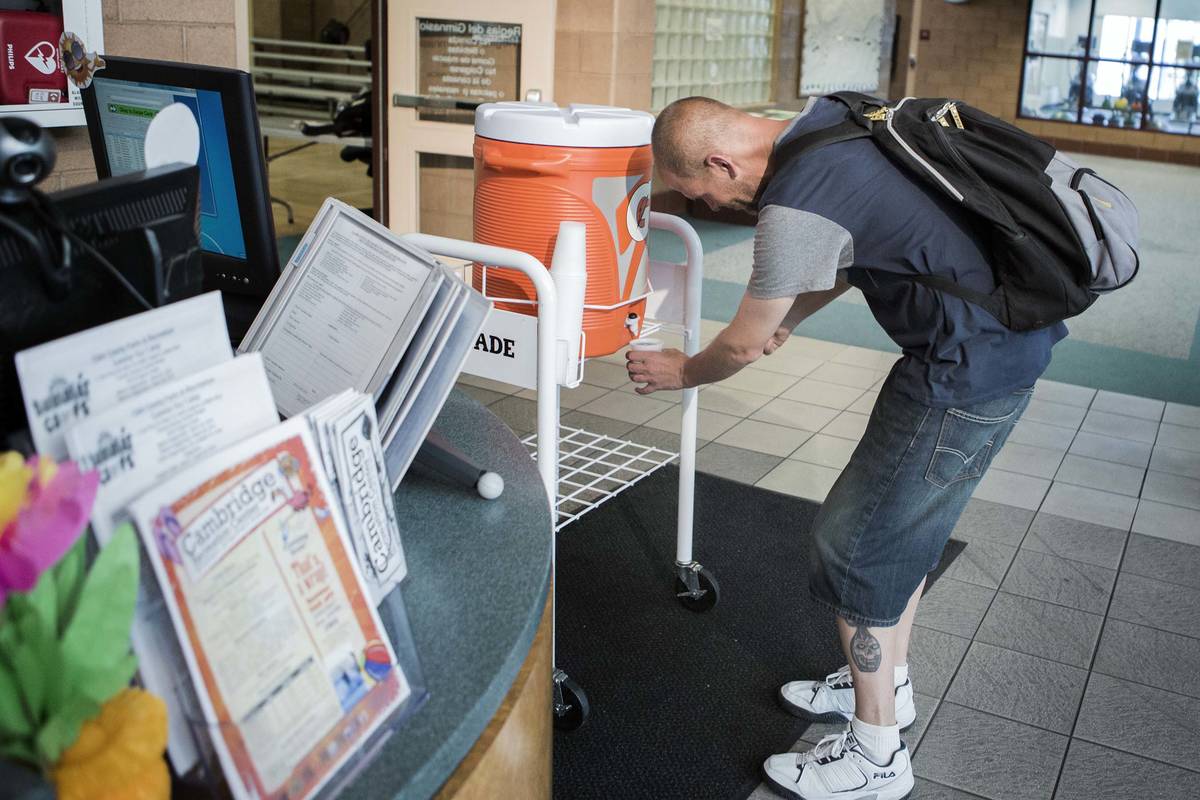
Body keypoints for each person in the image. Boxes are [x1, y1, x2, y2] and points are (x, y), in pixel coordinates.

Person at [632, 96, 1067, 800]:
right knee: (904, 535)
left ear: (720, 160)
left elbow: (741, 340)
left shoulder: (793, 205)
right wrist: (793, 316)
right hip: (996, 349)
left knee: (856, 548)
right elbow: (855, 247)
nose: (708, 204)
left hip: (962, 373)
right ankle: (884, 685)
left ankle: (875, 756)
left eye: (698, 191)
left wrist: (681, 371)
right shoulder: (833, 115)